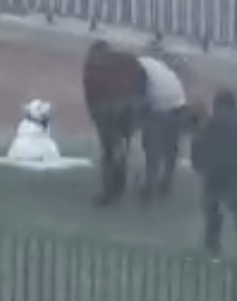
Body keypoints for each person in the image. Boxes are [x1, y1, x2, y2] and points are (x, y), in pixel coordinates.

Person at [192, 90, 237, 256]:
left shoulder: (209, 122)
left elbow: (197, 145)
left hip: (212, 173)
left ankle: (212, 248)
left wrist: (199, 167)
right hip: (235, 173)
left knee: (212, 215)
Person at [82, 40, 148, 206]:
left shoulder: (93, 65)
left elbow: (92, 96)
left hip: (108, 108)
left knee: (110, 151)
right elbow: (142, 77)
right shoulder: (127, 59)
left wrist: (98, 120)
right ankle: (120, 185)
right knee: (122, 146)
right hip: (131, 105)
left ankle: (109, 194)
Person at [136, 47, 191, 201]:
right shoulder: (160, 66)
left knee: (152, 147)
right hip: (179, 103)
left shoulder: (139, 65)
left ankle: (149, 186)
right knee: (170, 145)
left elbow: (139, 93)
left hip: (160, 106)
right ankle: (167, 180)